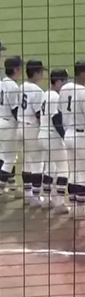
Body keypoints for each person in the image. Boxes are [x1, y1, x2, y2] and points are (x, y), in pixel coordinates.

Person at [59, 60, 85, 219]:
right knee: (84, 174)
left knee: (73, 172)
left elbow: (60, 112)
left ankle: (74, 207)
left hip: (68, 135)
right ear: (82, 73)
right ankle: (80, 209)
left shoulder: (64, 88)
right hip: (82, 137)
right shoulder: (84, 92)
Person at [38, 69, 70, 214]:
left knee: (49, 167)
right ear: (57, 81)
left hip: (42, 134)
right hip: (52, 136)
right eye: (64, 81)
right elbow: (56, 119)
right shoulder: (55, 97)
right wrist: (65, 137)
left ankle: (47, 198)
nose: (65, 85)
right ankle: (60, 203)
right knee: (64, 169)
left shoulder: (45, 94)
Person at [18, 60, 46, 207]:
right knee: (37, 162)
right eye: (41, 72)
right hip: (31, 128)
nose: (42, 75)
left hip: (20, 127)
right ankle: (35, 196)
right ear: (36, 73)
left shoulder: (21, 86)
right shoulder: (37, 91)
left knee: (26, 161)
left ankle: (27, 193)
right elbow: (38, 114)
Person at [0, 56, 22, 199]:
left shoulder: (1, 83)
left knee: (4, 155)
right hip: (9, 125)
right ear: (16, 69)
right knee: (9, 159)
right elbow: (15, 110)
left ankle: (12, 185)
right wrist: (21, 123)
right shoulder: (13, 87)